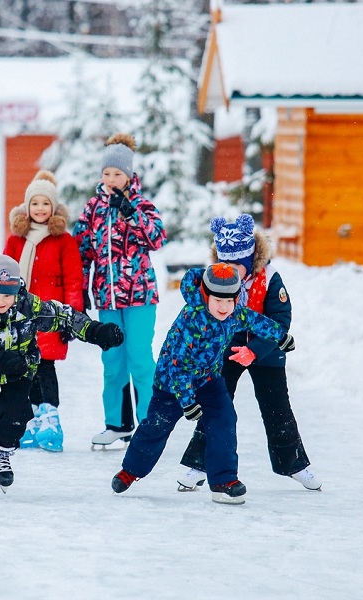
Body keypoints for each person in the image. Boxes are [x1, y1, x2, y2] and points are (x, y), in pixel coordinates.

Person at [0, 255, 124, 494]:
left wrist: (94, 330)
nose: (0, 301)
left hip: (19, 370)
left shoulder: (30, 307)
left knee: (15, 412)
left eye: (6, 295)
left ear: (18, 290)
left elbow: (63, 316)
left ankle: (1, 452)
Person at [110, 263, 296, 505]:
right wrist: (187, 403)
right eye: (218, 300)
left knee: (224, 419)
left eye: (230, 301)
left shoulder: (234, 313)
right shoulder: (192, 319)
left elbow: (255, 321)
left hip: (208, 379)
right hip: (172, 385)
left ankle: (224, 481)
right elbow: (179, 366)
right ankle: (130, 471)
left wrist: (280, 336)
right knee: (156, 427)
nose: (224, 307)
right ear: (206, 296)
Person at [176, 215, 321, 492]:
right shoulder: (215, 279)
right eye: (223, 264)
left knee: (277, 407)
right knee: (216, 406)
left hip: (265, 352)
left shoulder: (270, 278)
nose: (229, 271)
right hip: (225, 351)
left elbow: (280, 320)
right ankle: (198, 464)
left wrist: (254, 350)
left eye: (235, 266)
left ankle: (295, 464)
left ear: (248, 261)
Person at [73, 132, 166, 450]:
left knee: (140, 359)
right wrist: (82, 290)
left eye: (118, 174)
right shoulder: (92, 209)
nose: (111, 179)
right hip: (108, 298)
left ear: (129, 176)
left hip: (140, 296)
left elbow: (156, 238)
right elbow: (82, 250)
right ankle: (117, 424)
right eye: (107, 173)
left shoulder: (141, 205)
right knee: (113, 362)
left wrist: (128, 211)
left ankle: (150, 426)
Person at [3, 170, 83, 452]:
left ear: (53, 208)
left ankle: (51, 420)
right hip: (21, 316)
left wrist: (71, 318)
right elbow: (5, 277)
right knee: (25, 369)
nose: (39, 209)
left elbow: (74, 281)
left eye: (45, 204)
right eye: (34, 203)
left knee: (44, 367)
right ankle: (33, 420)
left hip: (50, 316)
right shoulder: (16, 240)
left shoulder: (64, 241)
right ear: (27, 207)